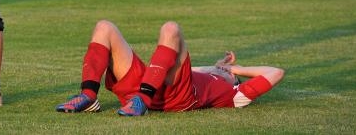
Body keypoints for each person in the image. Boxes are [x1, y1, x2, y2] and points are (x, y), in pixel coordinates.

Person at [56, 20, 284, 116]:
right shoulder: (206, 75)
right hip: (148, 86)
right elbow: (186, 69)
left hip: (174, 97)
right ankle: (89, 95)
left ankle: (141, 101)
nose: (226, 69)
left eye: (229, 72)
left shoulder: (235, 96)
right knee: (104, 27)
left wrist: (238, 70)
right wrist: (218, 68)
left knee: (171, 28)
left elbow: (276, 72)